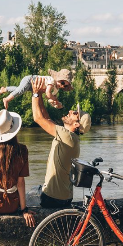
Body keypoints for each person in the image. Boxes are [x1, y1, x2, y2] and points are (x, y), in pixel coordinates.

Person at [31, 75, 91, 209]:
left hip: (53, 198)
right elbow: (46, 118)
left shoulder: (67, 136)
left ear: (76, 124)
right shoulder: (71, 137)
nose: (70, 111)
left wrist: (35, 93)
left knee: (26, 199)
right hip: (65, 197)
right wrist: (40, 95)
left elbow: (38, 118)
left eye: (75, 113)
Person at [0, 69, 74, 110]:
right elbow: (48, 94)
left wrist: (56, 104)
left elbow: (48, 98)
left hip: (34, 85)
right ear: (58, 78)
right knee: (20, 90)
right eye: (62, 82)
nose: (62, 86)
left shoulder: (56, 89)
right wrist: (54, 99)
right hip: (31, 79)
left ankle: (5, 89)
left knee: (20, 89)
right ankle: (6, 99)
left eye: (65, 86)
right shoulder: (52, 81)